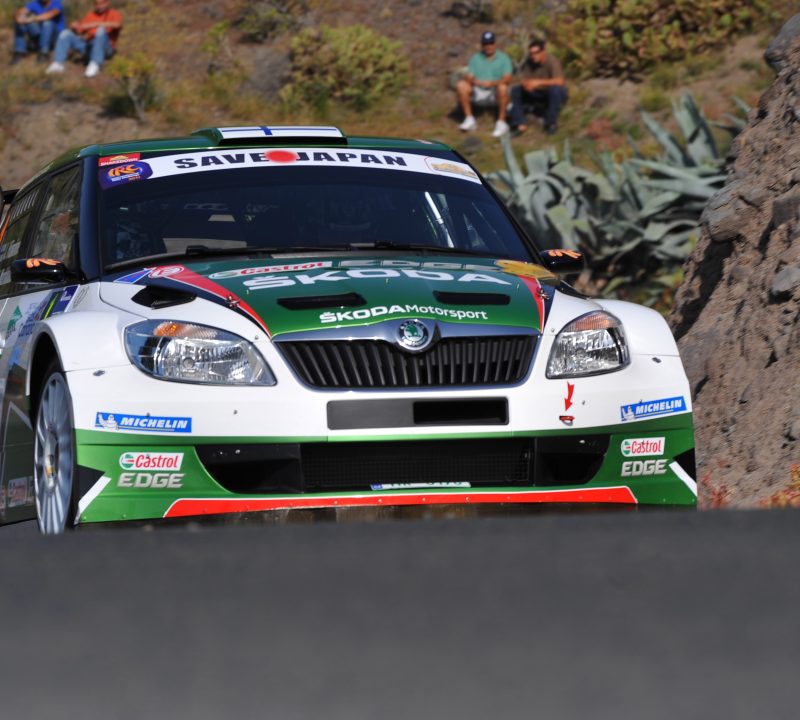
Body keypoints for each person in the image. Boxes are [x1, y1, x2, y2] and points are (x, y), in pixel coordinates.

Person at [456, 31, 513, 138]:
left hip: (495, 92)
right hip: (478, 90)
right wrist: (475, 81)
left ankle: (501, 122)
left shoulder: (503, 58)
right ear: (482, 45)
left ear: (495, 44)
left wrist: (493, 83)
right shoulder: (475, 58)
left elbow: (507, 78)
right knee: (461, 85)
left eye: (491, 43)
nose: (488, 46)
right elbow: (469, 76)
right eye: (486, 44)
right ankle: (469, 119)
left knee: (503, 87)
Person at [45, 0, 123, 78]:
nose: (99, 6)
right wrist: (75, 27)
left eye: (102, 3)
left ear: (107, 3)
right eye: (97, 4)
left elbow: (117, 25)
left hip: (106, 48)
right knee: (65, 33)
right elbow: (80, 30)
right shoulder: (91, 15)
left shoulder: (114, 13)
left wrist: (95, 24)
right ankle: (58, 63)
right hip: (89, 46)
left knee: (100, 31)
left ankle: (95, 63)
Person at [509, 38, 567, 135]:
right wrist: (526, 85)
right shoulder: (529, 62)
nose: (533, 56)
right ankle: (519, 123)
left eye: (536, 53)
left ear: (543, 52)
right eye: (531, 53)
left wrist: (538, 83)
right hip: (535, 92)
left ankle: (551, 123)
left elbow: (560, 81)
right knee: (516, 90)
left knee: (555, 90)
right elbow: (524, 78)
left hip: (549, 92)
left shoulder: (552, 61)